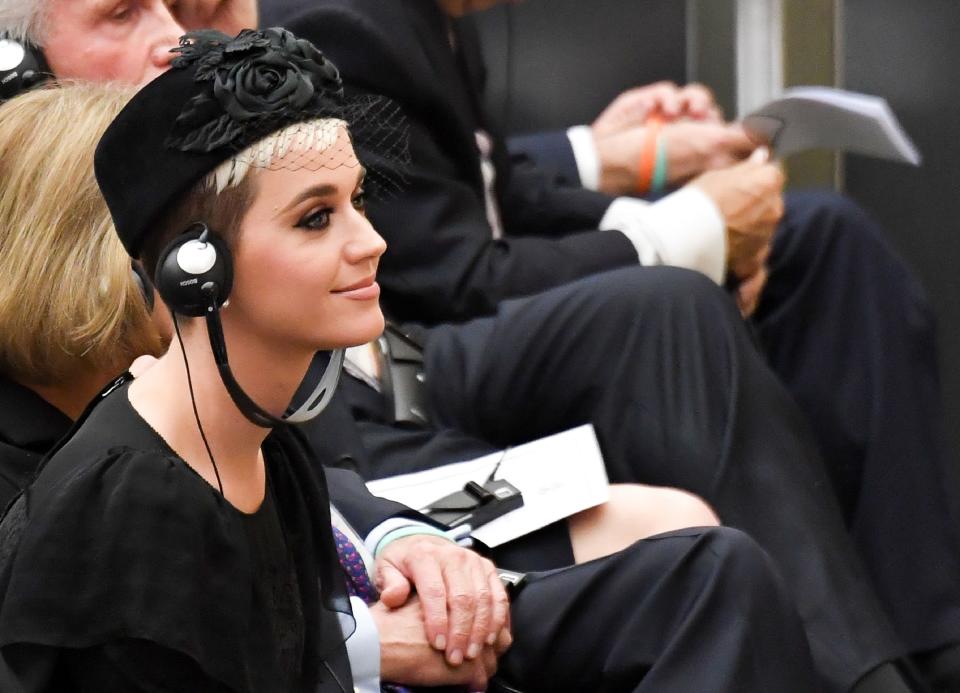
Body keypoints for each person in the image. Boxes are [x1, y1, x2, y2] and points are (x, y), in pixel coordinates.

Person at [1, 2, 951, 690]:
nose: (373, 242)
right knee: (673, 421)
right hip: (371, 433)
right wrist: (369, 642)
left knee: (712, 543)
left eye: (359, 206)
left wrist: (396, 543)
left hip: (372, 427)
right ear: (194, 267)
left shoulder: (269, 444)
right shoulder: (122, 490)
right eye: (319, 217)